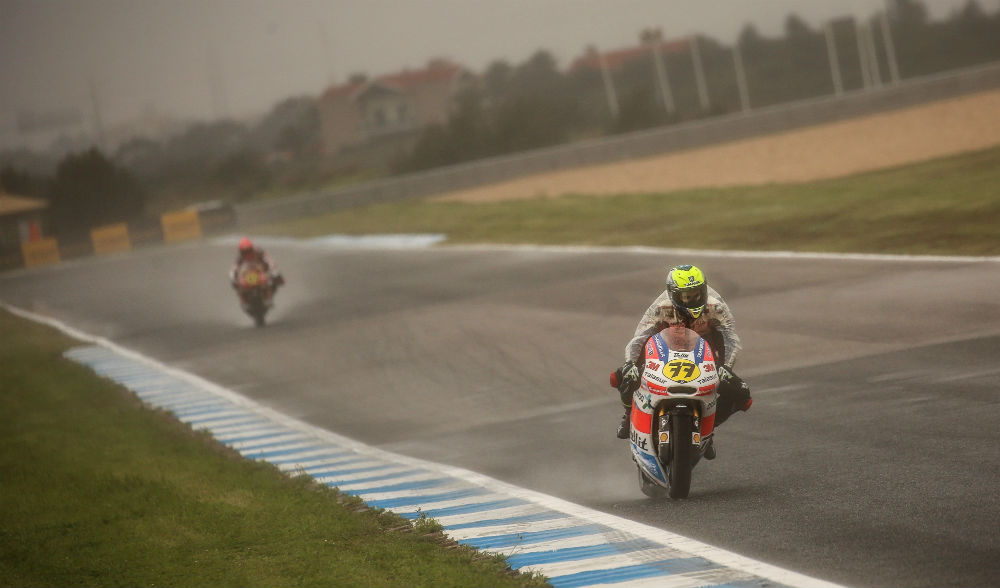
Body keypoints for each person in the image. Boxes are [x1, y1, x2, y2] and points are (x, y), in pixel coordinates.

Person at [615, 264, 751, 453]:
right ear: (674, 294)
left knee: (742, 394)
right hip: (664, 352)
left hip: (704, 354)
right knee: (623, 375)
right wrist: (630, 363)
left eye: (697, 294)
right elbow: (638, 338)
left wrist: (726, 367)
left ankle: (706, 430)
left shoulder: (716, 306)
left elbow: (731, 339)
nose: (693, 300)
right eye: (687, 296)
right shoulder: (661, 307)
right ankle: (628, 413)